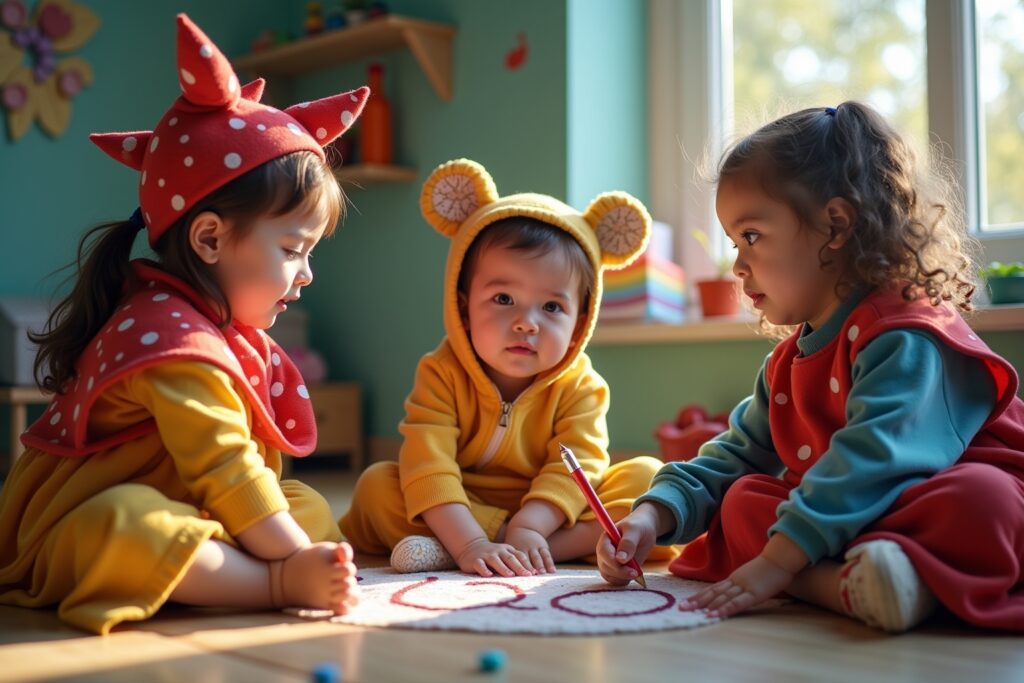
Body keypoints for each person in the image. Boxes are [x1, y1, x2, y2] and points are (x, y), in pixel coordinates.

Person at [0, 14, 370, 634]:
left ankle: (223, 569)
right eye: (291, 250)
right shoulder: (175, 340)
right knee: (125, 523)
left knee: (303, 505)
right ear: (209, 238)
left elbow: (239, 479)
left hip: (187, 503)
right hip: (73, 527)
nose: (306, 275)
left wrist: (289, 533)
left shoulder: (217, 326)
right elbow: (225, 464)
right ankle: (265, 584)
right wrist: (289, 565)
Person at [597, 101, 1024, 633]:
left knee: (983, 500)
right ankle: (865, 586)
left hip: (941, 499)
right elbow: (734, 455)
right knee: (743, 500)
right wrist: (651, 514)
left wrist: (776, 562)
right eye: (734, 243)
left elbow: (875, 457)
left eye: (751, 236)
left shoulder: (910, 332)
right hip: (857, 517)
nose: (737, 264)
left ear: (836, 225)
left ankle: (847, 577)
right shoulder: (788, 363)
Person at [340, 159, 678, 576]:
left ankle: (521, 548)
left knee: (649, 479)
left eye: (552, 307)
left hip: (551, 513)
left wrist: (532, 524)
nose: (526, 322)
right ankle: (479, 546)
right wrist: (470, 540)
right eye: (503, 299)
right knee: (378, 487)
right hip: (462, 504)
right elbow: (429, 463)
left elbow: (580, 466)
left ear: (580, 323)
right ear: (462, 306)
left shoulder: (582, 386)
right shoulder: (441, 372)